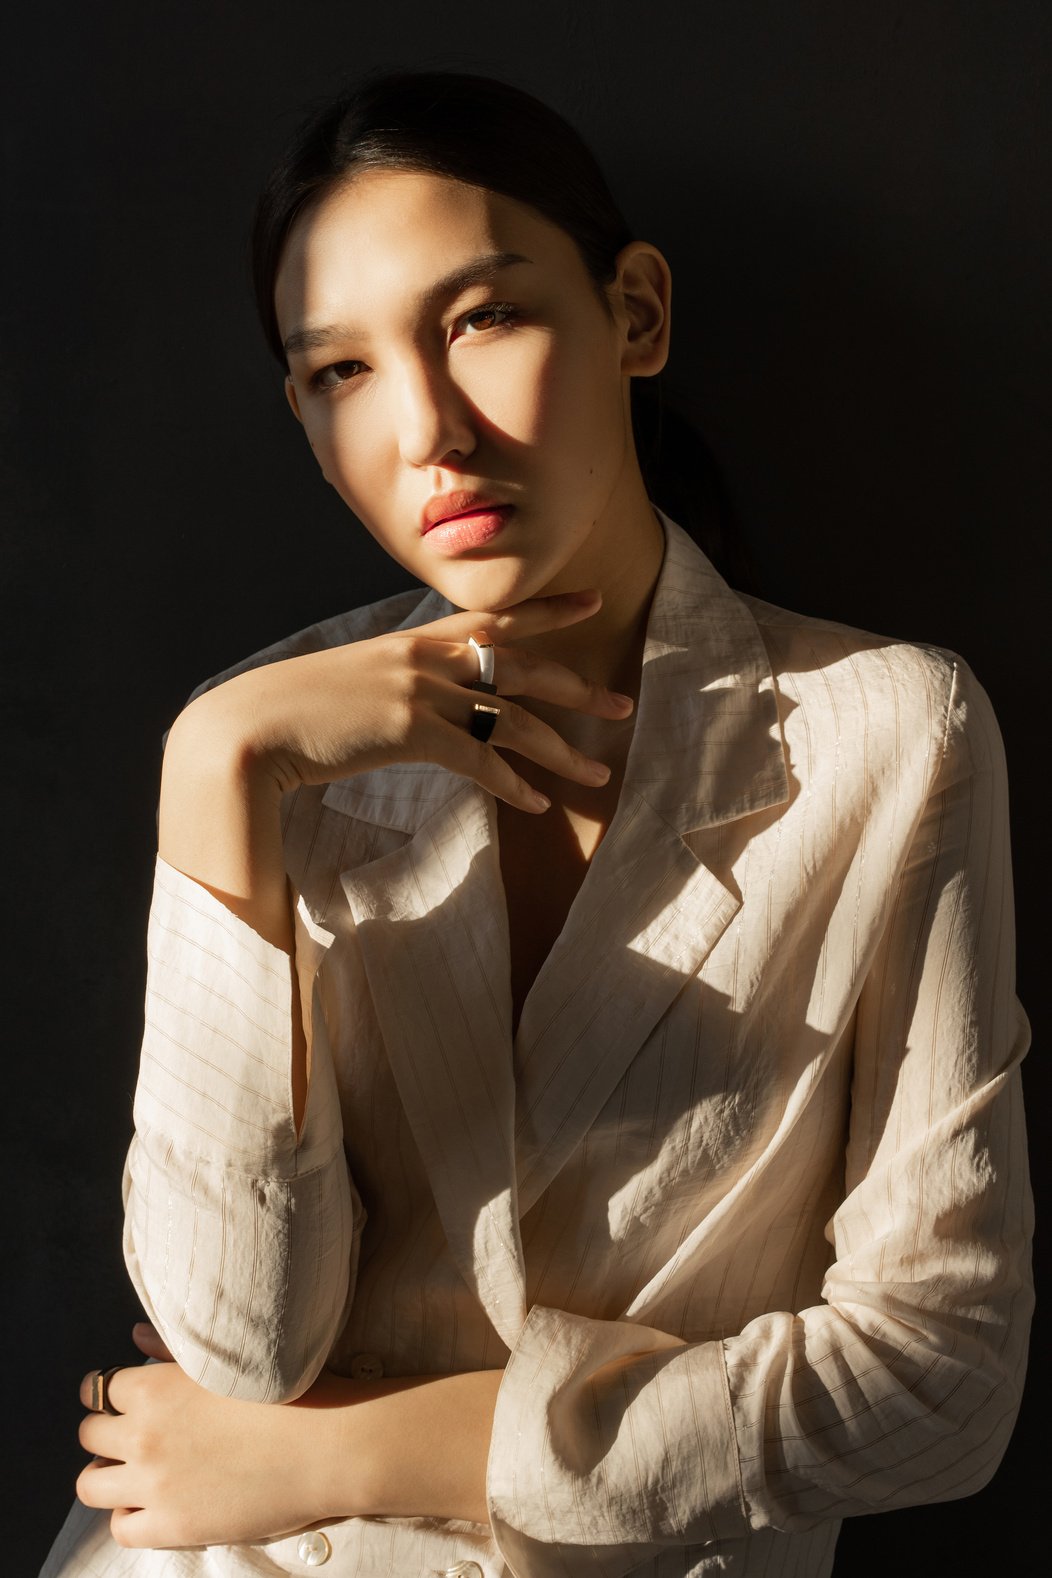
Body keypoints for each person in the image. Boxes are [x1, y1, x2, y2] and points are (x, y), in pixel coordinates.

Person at [43, 68, 1032, 1578]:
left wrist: (343, 1450)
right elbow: (235, 1336)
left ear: (635, 313)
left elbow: (939, 1383)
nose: (428, 426)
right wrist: (212, 769)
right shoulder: (264, 733)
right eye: (341, 372)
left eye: (480, 319)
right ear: (304, 423)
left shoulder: (891, 734)